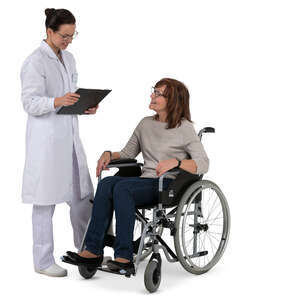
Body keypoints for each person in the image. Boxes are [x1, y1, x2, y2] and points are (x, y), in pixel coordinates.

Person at [66, 78, 209, 273]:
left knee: (123, 188)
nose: (152, 95)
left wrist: (175, 162)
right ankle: (93, 251)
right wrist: (109, 154)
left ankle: (124, 257)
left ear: (173, 99)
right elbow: (127, 154)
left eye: (158, 93)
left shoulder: (184, 128)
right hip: (144, 181)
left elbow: (203, 163)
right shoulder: (145, 123)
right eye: (154, 91)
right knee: (108, 183)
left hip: (167, 185)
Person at [20, 8, 98, 277]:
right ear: (49, 32)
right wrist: (56, 101)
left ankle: (87, 250)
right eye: (64, 35)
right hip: (47, 142)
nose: (68, 41)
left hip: (70, 138)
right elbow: (29, 102)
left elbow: (71, 96)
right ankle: (42, 261)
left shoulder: (70, 58)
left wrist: (83, 106)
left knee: (82, 196)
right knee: (45, 201)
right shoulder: (34, 62)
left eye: (72, 36)